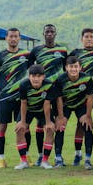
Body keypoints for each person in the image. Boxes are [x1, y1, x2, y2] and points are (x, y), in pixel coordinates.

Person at [0, 28, 32, 169]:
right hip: (4, 98)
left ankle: (26, 156)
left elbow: (33, 74)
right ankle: (1, 159)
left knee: (24, 127)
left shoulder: (26, 55)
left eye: (16, 36)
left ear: (19, 38)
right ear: (6, 38)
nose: (13, 39)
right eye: (11, 36)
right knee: (2, 128)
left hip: (22, 99)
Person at [28, 24, 68, 166]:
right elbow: (29, 69)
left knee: (59, 123)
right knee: (41, 125)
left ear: (55, 33)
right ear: (43, 33)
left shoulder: (62, 50)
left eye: (52, 31)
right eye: (47, 31)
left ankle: (58, 156)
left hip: (57, 92)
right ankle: (40, 155)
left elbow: (67, 69)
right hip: (41, 93)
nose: (49, 33)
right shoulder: (36, 50)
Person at [69, 28, 93, 166]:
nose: (89, 39)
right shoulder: (75, 53)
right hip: (82, 96)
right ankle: (78, 155)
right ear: (82, 39)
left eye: (91, 37)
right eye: (86, 37)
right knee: (82, 124)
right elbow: (69, 70)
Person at [53, 56, 93, 169]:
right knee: (60, 127)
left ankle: (87, 159)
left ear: (80, 67)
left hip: (81, 105)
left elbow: (90, 98)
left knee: (87, 126)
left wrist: (88, 116)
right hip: (65, 105)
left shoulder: (87, 79)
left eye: (76, 66)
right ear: (66, 68)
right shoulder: (60, 80)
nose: (73, 69)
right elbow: (59, 99)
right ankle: (58, 158)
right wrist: (60, 117)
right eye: (71, 67)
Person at [13, 64, 57, 170]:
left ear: (43, 77)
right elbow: (23, 103)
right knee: (20, 129)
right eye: (33, 76)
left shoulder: (49, 85)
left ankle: (45, 161)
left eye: (38, 76)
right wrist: (23, 122)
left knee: (50, 129)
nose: (36, 79)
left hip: (42, 110)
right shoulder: (23, 85)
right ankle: (23, 161)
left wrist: (48, 123)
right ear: (29, 76)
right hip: (28, 109)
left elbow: (47, 104)